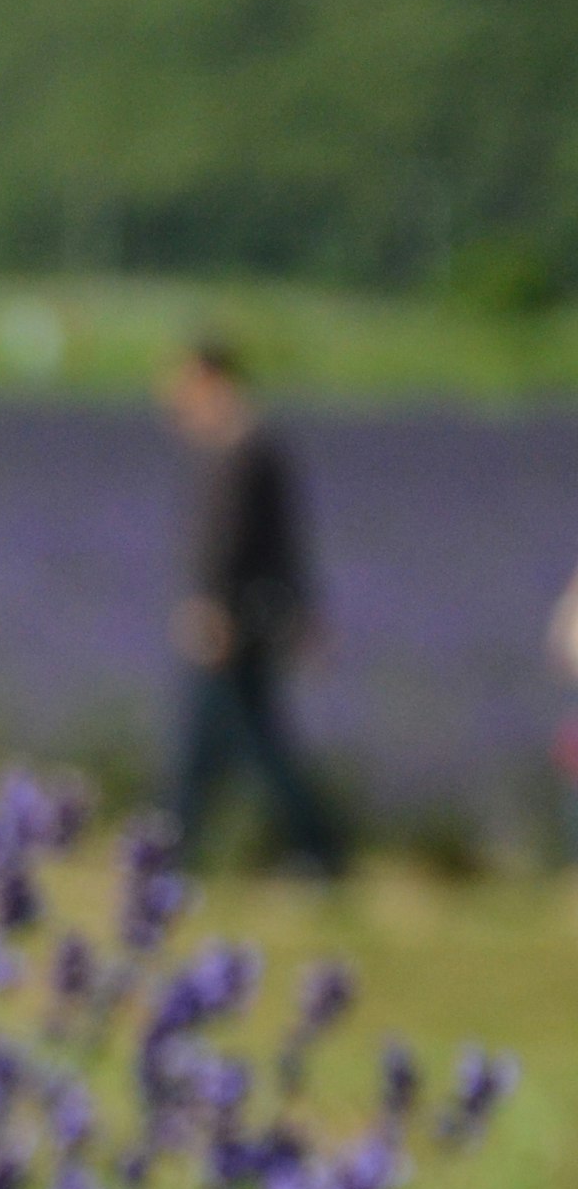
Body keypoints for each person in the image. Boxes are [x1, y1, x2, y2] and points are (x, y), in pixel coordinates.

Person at [163, 336, 346, 873]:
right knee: (212, 742)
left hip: (237, 620)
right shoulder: (241, 444)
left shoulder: (244, 447)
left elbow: (238, 540)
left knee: (250, 742)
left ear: (210, 379)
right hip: (240, 616)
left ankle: (316, 849)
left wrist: (213, 607)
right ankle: (173, 851)